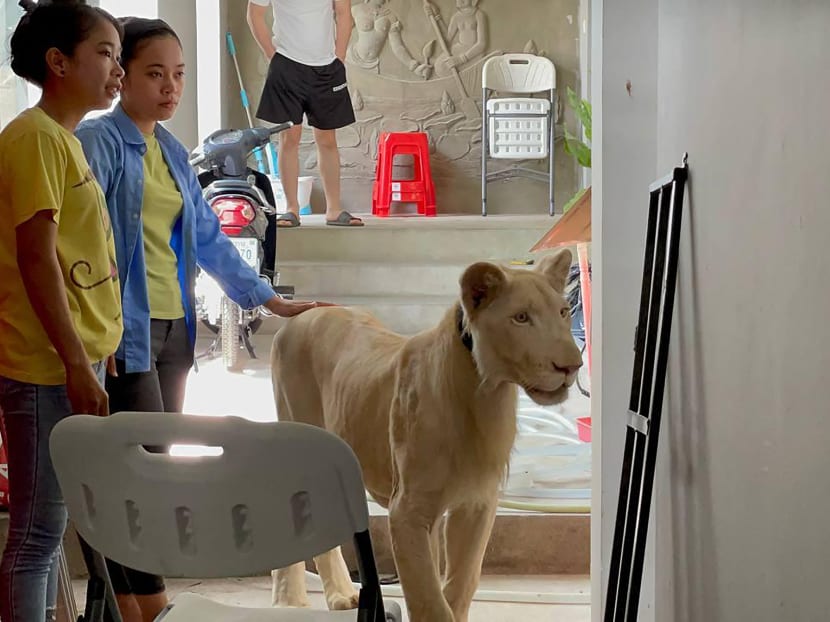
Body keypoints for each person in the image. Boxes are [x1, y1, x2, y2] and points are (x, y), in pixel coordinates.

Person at [75, 17, 319, 621]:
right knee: (130, 478)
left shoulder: (170, 150)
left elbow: (208, 238)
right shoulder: (97, 143)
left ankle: (128, 605)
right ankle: (147, 606)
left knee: (154, 472)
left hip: (172, 331)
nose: (169, 87)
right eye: (154, 73)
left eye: (178, 75)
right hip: (119, 335)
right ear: (120, 75)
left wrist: (268, 299)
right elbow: (82, 242)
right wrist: (88, 335)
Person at [0, 2, 125, 620]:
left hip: (74, 359)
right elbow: (37, 260)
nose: (118, 71)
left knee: (50, 534)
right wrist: (76, 363)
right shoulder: (33, 140)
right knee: (36, 535)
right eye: (104, 53)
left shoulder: (62, 140)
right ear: (58, 62)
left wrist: (92, 358)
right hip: (45, 366)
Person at [246, 0, 364, 227]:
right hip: (287, 65)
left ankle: (334, 209)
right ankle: (291, 209)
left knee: (327, 139)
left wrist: (339, 57)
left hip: (327, 66)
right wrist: (273, 56)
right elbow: (254, 14)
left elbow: (343, 13)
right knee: (289, 138)